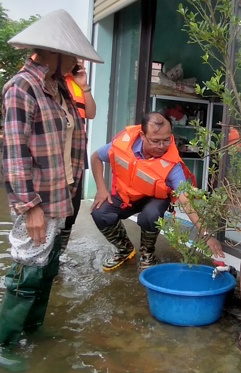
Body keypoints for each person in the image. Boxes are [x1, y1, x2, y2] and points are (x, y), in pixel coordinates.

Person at [0, 9, 102, 349]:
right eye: (72, 56)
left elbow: (85, 119)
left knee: (48, 268)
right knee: (26, 273)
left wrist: (79, 85)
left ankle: (33, 331)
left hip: (62, 195)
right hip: (38, 200)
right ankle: (4, 345)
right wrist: (29, 208)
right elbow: (15, 152)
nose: (75, 62)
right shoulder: (21, 88)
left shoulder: (61, 90)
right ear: (55, 52)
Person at [90, 111, 225, 271]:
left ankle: (148, 253)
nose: (161, 147)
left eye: (166, 140)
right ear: (142, 135)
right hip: (127, 194)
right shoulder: (123, 144)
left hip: (155, 198)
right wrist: (101, 188)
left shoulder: (172, 163)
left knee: (151, 214)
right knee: (99, 212)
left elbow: (185, 199)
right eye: (155, 141)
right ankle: (125, 249)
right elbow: (96, 157)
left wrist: (205, 233)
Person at [56, 58, 96, 257]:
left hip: (77, 152)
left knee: (73, 206)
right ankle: (45, 256)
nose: (78, 62)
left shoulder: (77, 84)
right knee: (53, 207)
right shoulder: (46, 81)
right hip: (54, 151)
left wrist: (85, 85)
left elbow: (91, 113)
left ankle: (58, 256)